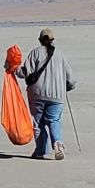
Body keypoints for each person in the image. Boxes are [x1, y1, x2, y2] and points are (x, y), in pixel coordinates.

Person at [19, 27, 76, 160]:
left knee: (38, 123)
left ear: (40, 40)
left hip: (37, 94)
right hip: (57, 95)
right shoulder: (60, 54)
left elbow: (24, 72)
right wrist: (70, 86)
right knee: (54, 120)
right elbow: (69, 75)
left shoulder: (35, 53)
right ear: (52, 39)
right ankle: (57, 142)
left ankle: (40, 151)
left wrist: (13, 69)